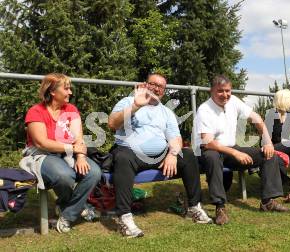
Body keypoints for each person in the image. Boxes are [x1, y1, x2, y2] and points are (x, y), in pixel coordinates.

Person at [108, 73, 211, 238]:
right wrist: (136, 106)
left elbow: (175, 138)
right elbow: (112, 124)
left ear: (164, 90)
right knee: (122, 157)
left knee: (188, 154)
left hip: (160, 156)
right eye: (152, 84)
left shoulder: (166, 112)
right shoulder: (128, 101)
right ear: (145, 84)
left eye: (160, 86)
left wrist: (173, 153)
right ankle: (124, 218)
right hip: (131, 153)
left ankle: (194, 207)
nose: (156, 88)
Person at [196, 75, 290, 226]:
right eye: (220, 91)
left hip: (231, 147)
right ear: (211, 91)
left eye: (228, 91)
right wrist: (235, 153)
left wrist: (267, 141)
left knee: (268, 154)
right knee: (212, 158)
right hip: (211, 149)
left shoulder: (233, 101)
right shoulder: (204, 109)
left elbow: (257, 119)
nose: (225, 95)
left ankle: (268, 202)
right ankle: (220, 207)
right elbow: (207, 142)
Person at [21, 73, 101, 233]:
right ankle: (77, 207)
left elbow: (78, 138)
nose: (70, 92)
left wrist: (80, 157)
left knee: (94, 172)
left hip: (67, 153)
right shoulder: (36, 111)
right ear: (52, 92)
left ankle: (67, 214)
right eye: (66, 89)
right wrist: (72, 149)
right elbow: (41, 142)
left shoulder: (71, 109)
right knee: (65, 176)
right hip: (41, 154)